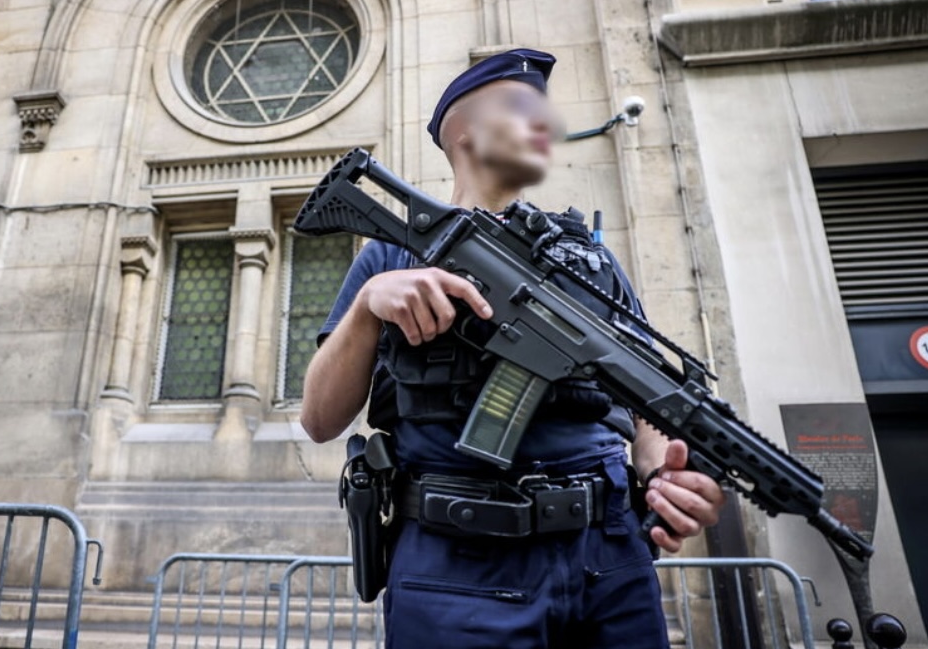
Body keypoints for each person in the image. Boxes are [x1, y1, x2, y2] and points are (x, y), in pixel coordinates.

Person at [300, 49, 726, 649]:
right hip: (457, 563)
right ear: (464, 131)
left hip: (609, 556)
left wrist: (663, 475)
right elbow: (319, 419)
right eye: (524, 109)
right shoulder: (390, 255)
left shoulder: (591, 262)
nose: (547, 125)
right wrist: (370, 303)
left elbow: (645, 399)